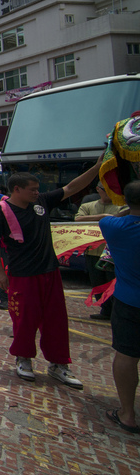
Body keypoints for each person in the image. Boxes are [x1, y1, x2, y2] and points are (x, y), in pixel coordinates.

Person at [0, 164, 100, 387]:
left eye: (38, 189)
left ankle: (59, 364)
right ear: (16, 189)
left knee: (56, 320)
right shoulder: (0, 210)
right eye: (32, 189)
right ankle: (24, 359)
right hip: (22, 274)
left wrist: (97, 167)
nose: (37, 192)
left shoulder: (41, 203)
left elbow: (71, 187)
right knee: (24, 320)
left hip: (50, 271)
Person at [98, 180, 140, 434]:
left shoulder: (112, 226)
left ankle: (127, 413)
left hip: (128, 300)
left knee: (126, 355)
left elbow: (119, 215)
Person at [75, 182, 121, 320]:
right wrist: (105, 216)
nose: (109, 193)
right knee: (97, 282)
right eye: (105, 190)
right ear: (98, 190)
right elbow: (78, 219)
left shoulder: (121, 206)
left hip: (112, 253)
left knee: (113, 282)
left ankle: (116, 312)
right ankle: (105, 310)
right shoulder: (88, 206)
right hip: (92, 252)